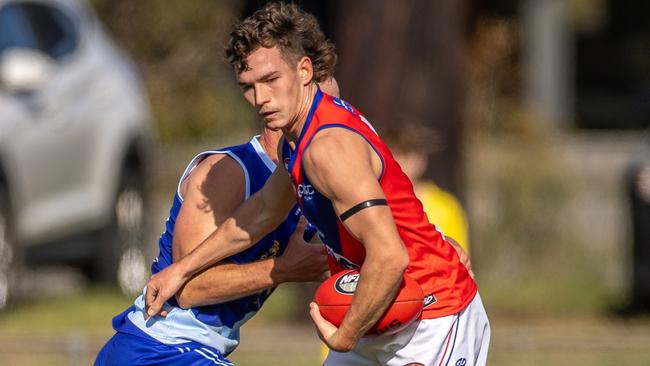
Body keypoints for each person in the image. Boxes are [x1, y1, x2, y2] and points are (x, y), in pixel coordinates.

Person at [145, 3, 490, 365]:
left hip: (433, 315)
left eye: (270, 80)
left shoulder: (327, 147)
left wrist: (345, 336)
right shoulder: (295, 141)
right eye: (248, 87)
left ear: (304, 70)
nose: (260, 99)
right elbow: (260, 212)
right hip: (377, 306)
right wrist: (178, 271)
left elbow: (390, 255)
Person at [93, 78, 340, 365]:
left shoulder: (306, 182)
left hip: (191, 352)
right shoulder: (229, 171)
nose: (333, 121)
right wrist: (283, 269)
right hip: (157, 349)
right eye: (322, 108)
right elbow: (188, 290)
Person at [383, 124, 471, 254]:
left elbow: (459, 260)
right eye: (393, 154)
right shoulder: (375, 202)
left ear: (421, 160)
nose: (399, 162)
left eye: (406, 154)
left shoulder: (446, 206)